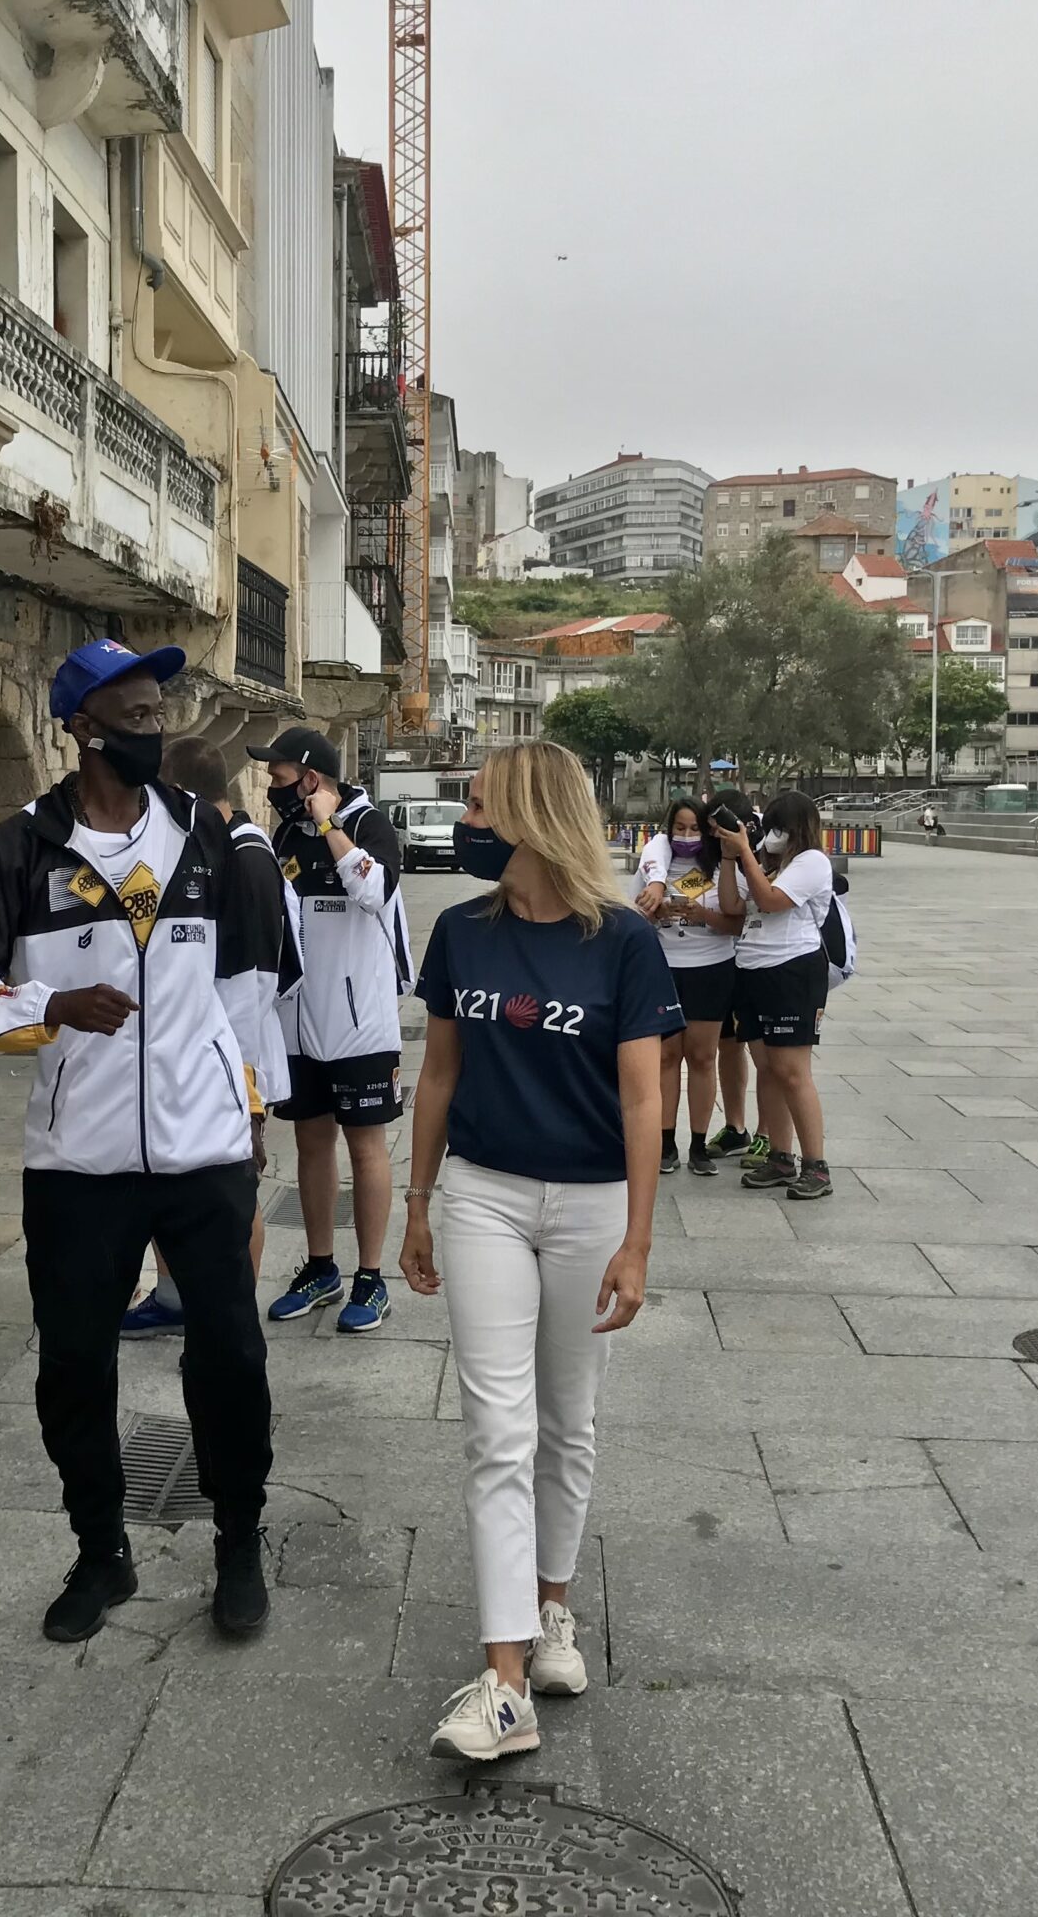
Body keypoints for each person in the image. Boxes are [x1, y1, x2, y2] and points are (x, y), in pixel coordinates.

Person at [0, 638, 280, 1644]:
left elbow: (245, 988)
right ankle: (99, 1552)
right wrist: (45, 1007)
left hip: (202, 1146)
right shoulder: (21, 850)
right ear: (79, 729)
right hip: (78, 1163)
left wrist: (251, 1109)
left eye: (158, 713)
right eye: (132, 718)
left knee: (231, 1356)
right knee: (74, 1364)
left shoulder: (202, 835)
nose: (155, 730)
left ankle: (240, 1542)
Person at [400, 740, 675, 1761]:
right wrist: (417, 1203)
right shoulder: (460, 932)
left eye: (476, 805)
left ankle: (552, 1612)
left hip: (593, 1204)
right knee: (496, 1429)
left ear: (526, 814)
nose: (464, 821)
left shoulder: (624, 943)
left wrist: (639, 1239)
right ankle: (504, 1677)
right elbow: (436, 1077)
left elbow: (646, 1098)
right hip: (481, 1195)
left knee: (567, 1420)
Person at [120, 734, 302, 1336]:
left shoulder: (245, 856)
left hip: (233, 1059)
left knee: (236, 1189)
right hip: (195, 1054)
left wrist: (239, 1080)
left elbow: (251, 979)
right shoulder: (208, 845)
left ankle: (234, 1315)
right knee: (179, 1185)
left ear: (181, 793)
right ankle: (176, 1301)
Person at [251, 725, 414, 1335]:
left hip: (359, 1024)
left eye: (280, 775)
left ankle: (370, 1279)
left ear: (311, 778)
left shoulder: (369, 825)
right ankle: (321, 1267)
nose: (273, 786)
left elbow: (374, 891)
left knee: (365, 1145)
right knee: (312, 1143)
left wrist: (330, 826)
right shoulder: (285, 831)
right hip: (300, 1019)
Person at [724, 791, 837, 1201]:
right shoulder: (767, 861)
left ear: (797, 829)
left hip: (792, 970)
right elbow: (733, 904)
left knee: (792, 1071)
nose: (771, 835)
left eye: (779, 828)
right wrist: (729, 855)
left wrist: (745, 855)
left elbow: (772, 902)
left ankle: (816, 1166)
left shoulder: (811, 863)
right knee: (767, 1067)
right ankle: (780, 1156)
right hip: (752, 969)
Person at [632, 797, 743, 1175]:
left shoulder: (720, 866)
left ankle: (698, 1144)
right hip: (665, 969)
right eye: (679, 828)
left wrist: (704, 914)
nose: (686, 835)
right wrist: (656, 909)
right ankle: (665, 1143)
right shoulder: (655, 862)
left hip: (711, 969)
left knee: (701, 1056)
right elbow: (635, 914)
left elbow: (736, 923)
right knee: (665, 1057)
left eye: (694, 828)